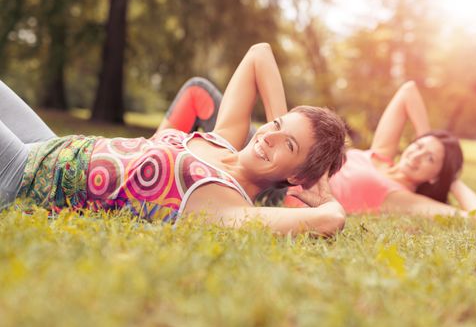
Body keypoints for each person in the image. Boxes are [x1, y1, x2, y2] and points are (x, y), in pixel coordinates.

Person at [0, 43, 349, 236]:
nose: (269, 138)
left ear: (297, 176)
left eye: (289, 145)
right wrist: (283, 126)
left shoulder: (224, 203)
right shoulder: (224, 140)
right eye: (274, 124)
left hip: (23, 178)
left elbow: (330, 219)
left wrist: (319, 187)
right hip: (48, 144)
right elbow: (259, 54)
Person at [163, 78, 476, 222]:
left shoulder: (402, 196)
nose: (418, 153)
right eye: (419, 146)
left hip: (282, 184)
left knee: (203, 97)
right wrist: (432, 139)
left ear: (436, 174)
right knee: (199, 90)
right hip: (279, 149)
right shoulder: (381, 154)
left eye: (430, 159)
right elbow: (407, 92)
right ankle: (156, 147)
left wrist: (452, 179)